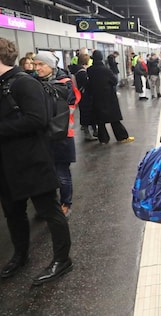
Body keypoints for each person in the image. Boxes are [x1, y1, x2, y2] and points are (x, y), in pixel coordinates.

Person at [0, 38, 73, 284]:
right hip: (7, 163)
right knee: (13, 212)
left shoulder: (24, 83)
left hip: (31, 159)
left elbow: (36, 120)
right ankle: (20, 256)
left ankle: (62, 259)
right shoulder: (4, 84)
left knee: (49, 210)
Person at [33, 51, 81, 218]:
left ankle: (65, 203)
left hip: (62, 135)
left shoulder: (64, 84)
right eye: (35, 64)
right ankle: (50, 206)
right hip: (42, 136)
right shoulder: (34, 83)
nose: (37, 68)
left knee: (61, 173)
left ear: (51, 66)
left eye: (41, 65)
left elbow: (69, 102)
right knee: (46, 173)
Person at [87, 50, 135, 144]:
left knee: (100, 121)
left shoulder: (90, 70)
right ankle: (122, 137)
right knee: (114, 119)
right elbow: (114, 81)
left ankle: (103, 140)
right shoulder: (106, 69)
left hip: (96, 98)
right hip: (108, 97)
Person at [75, 53, 98, 141]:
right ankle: (88, 133)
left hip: (81, 95)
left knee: (86, 113)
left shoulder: (77, 70)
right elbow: (87, 84)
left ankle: (92, 130)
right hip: (86, 95)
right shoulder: (82, 72)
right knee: (87, 113)